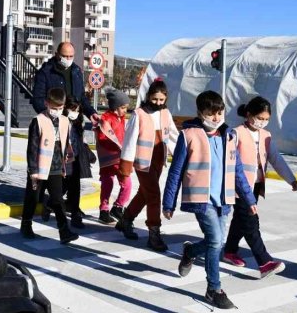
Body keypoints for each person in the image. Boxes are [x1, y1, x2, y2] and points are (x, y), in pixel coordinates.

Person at [162, 90, 255, 310]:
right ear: (200, 113)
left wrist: (249, 198)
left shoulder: (229, 135)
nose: (216, 118)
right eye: (210, 113)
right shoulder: (189, 135)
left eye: (219, 112)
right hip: (201, 199)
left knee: (217, 242)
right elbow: (176, 171)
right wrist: (169, 202)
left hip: (224, 200)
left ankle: (190, 252)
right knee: (215, 241)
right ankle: (214, 289)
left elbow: (238, 171)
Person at [222, 96, 297, 278]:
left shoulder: (266, 136)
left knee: (241, 221)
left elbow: (275, 158)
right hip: (239, 187)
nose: (262, 122)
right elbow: (230, 162)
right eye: (259, 118)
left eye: (266, 119)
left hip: (256, 186)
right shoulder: (236, 133)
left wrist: (291, 179)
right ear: (249, 114)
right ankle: (264, 262)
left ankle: (229, 251)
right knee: (251, 223)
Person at [116, 79, 180, 252]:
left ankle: (126, 219)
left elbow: (173, 135)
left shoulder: (165, 113)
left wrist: (182, 153)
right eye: (154, 99)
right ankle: (154, 233)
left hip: (159, 159)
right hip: (142, 162)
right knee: (154, 195)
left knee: (145, 194)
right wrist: (125, 165)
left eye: (161, 100)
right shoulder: (139, 114)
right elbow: (129, 140)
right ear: (148, 96)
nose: (158, 103)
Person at [20, 87, 80, 244]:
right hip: (39, 168)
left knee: (58, 200)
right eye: (54, 108)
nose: (57, 111)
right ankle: (26, 224)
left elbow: (65, 142)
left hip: (55, 167)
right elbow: (32, 148)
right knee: (33, 198)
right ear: (46, 104)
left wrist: (66, 159)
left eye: (60, 108)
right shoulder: (38, 121)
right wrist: (32, 170)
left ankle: (64, 231)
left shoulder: (65, 121)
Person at [31, 42, 100, 124]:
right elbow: (38, 99)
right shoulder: (45, 72)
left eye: (71, 56)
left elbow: (81, 97)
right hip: (53, 123)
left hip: (75, 123)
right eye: (64, 56)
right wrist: (51, 117)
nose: (68, 59)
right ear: (57, 54)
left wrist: (91, 113)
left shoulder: (77, 71)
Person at [95, 88, 132, 224]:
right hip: (109, 158)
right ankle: (104, 210)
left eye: (126, 108)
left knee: (126, 184)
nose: (125, 111)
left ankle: (117, 206)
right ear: (115, 107)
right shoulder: (105, 119)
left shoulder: (121, 119)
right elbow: (102, 137)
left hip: (119, 157)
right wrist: (116, 148)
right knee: (108, 184)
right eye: (123, 107)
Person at [62, 97, 96, 229]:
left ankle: (76, 215)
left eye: (76, 110)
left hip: (75, 157)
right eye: (72, 109)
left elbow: (82, 139)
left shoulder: (78, 122)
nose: (74, 112)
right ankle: (51, 205)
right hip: (64, 158)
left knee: (75, 187)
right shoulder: (61, 121)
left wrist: (88, 153)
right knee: (64, 185)